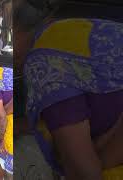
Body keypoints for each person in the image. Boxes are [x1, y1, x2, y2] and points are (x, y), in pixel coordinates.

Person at [15, 0, 123, 179]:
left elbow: (84, 173)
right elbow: (75, 104)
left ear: (17, 28)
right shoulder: (88, 28)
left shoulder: (43, 59)